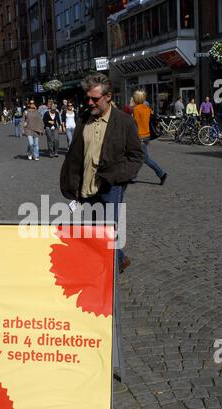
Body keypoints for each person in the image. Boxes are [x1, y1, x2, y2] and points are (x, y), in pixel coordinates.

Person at [60, 74, 144, 274]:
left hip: (110, 187)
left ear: (108, 97)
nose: (89, 102)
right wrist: (71, 181)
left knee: (107, 231)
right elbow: (76, 154)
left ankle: (109, 275)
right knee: (93, 230)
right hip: (85, 187)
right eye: (87, 98)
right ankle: (120, 259)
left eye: (95, 99)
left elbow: (136, 156)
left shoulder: (124, 122)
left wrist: (118, 177)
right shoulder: (83, 119)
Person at [133, 90, 168, 186]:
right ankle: (132, 176)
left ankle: (161, 174)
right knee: (136, 156)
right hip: (147, 136)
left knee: (145, 158)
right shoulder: (147, 108)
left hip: (140, 137)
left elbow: (134, 124)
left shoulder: (136, 109)